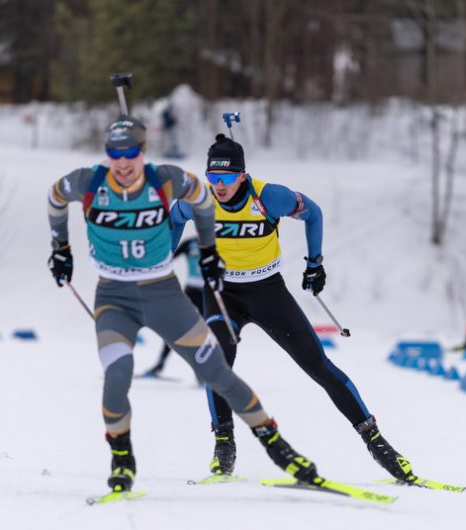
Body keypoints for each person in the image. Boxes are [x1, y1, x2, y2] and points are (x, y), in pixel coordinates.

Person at [47, 115, 324, 493]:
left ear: (142, 153)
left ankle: (279, 449)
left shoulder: (166, 178)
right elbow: (54, 198)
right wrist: (60, 248)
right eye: (115, 153)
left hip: (163, 292)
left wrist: (207, 249)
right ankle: (122, 462)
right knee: (117, 374)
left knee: (216, 371)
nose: (123, 162)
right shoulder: (87, 181)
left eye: (131, 153)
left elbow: (200, 199)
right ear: (106, 155)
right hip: (114, 294)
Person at [171, 133, 417, 483]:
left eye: (226, 178)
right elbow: (174, 217)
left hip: (267, 292)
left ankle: (377, 443)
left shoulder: (269, 196)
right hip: (223, 292)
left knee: (318, 366)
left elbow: (313, 213)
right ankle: (224, 444)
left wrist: (314, 263)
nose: (218, 186)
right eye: (213, 177)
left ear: (242, 175)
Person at [141, 234, 204, 378]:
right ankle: (160, 365)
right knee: (176, 328)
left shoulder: (218, 242)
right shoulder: (190, 243)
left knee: (206, 331)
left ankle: (202, 371)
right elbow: (168, 257)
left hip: (209, 293)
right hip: (191, 290)